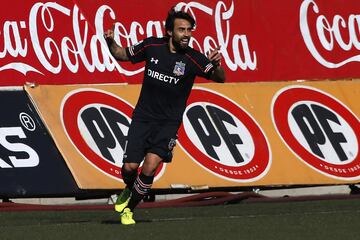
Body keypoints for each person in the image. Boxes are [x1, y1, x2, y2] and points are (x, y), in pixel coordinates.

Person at [104, 8, 226, 225]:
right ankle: (128, 188)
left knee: (150, 166)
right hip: (143, 117)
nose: (186, 34)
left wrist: (216, 65)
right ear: (170, 31)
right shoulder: (152, 46)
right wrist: (110, 42)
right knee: (130, 167)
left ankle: (129, 210)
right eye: (181, 29)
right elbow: (122, 54)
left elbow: (220, 78)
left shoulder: (193, 58)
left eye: (189, 30)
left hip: (168, 123)